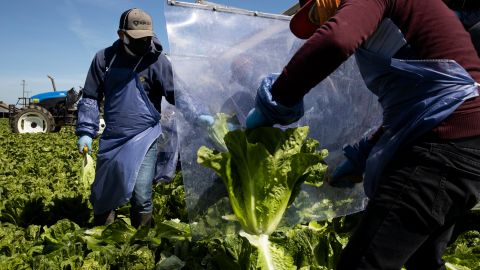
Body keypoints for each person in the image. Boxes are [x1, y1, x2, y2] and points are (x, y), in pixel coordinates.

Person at [245, 0, 480, 269]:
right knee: (423, 262)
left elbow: (336, 40)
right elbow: (422, 104)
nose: (330, 21)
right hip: (464, 143)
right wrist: (362, 154)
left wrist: (278, 99)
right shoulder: (404, 24)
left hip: (444, 147)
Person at [76, 8, 176, 228]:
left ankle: (142, 241)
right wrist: (85, 131)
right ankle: (105, 238)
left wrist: (200, 113)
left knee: (141, 193)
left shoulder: (158, 61)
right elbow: (91, 97)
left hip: (145, 137)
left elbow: (178, 95)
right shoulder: (105, 59)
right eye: (138, 38)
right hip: (113, 137)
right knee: (105, 191)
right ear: (122, 35)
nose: (144, 43)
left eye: (147, 38)